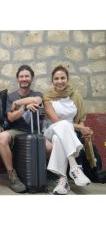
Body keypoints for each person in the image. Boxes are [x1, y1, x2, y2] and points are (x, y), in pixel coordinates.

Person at [43, 65, 92, 195]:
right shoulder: (47, 97)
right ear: (52, 81)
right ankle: (74, 167)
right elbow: (55, 121)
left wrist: (83, 129)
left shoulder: (75, 96)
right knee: (62, 125)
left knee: (58, 139)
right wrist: (81, 127)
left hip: (68, 134)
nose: (60, 81)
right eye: (56, 78)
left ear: (67, 79)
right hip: (51, 130)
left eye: (62, 78)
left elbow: (81, 118)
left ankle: (62, 181)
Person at [0, 65, 43, 193]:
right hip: (17, 131)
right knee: (2, 137)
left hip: (34, 132)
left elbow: (37, 100)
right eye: (21, 76)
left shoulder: (37, 94)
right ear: (18, 79)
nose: (24, 79)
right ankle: (12, 175)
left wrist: (18, 103)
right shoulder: (11, 96)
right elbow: (11, 117)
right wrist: (25, 108)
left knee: (50, 147)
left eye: (27, 76)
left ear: (32, 78)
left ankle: (42, 174)